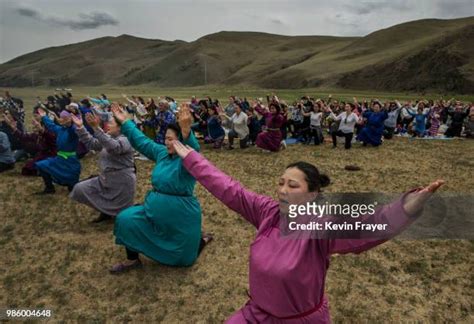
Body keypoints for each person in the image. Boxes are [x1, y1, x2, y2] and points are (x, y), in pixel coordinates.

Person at [172, 140, 444, 323]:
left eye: (292, 185)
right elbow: (228, 188)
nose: (282, 190)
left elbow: (369, 225)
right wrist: (191, 157)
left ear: (313, 194)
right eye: (280, 183)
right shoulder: (267, 211)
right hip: (256, 315)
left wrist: (409, 205)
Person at [109, 103, 210, 273]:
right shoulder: (162, 153)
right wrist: (125, 122)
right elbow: (142, 142)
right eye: (166, 138)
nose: (167, 142)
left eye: (171, 139)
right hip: (153, 211)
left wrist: (187, 133)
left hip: (181, 215)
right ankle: (132, 260)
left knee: (184, 259)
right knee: (126, 219)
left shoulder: (188, 160)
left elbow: (194, 151)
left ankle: (201, 240)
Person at [70, 112, 136, 223]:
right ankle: (106, 212)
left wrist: (96, 128)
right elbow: (93, 144)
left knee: (123, 216)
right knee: (80, 189)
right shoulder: (108, 137)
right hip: (106, 179)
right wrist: (81, 127)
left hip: (122, 181)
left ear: (120, 127)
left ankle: (114, 215)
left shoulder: (127, 139)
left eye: (110, 123)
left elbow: (114, 147)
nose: (107, 125)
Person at [34, 108, 81, 194]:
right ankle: (49, 188)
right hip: (59, 159)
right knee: (41, 165)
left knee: (73, 186)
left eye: (64, 118)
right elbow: (51, 125)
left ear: (70, 119)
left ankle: (71, 184)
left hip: (70, 161)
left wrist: (70, 124)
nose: (61, 119)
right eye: (60, 117)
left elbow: (73, 130)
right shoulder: (60, 129)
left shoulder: (73, 130)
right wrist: (44, 117)